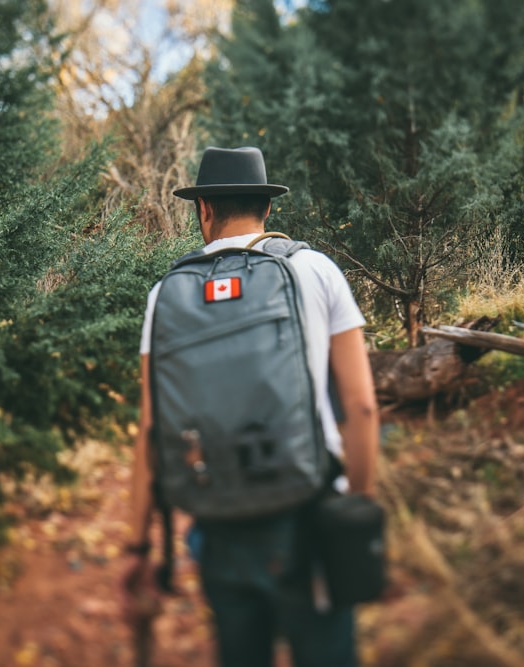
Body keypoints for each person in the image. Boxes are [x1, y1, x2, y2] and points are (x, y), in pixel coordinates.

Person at [121, 146, 380, 667]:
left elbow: (151, 431)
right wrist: (356, 507)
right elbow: (361, 407)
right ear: (266, 209)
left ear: (205, 210)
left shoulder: (164, 295)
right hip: (308, 519)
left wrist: (137, 547)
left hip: (218, 525)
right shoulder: (315, 269)